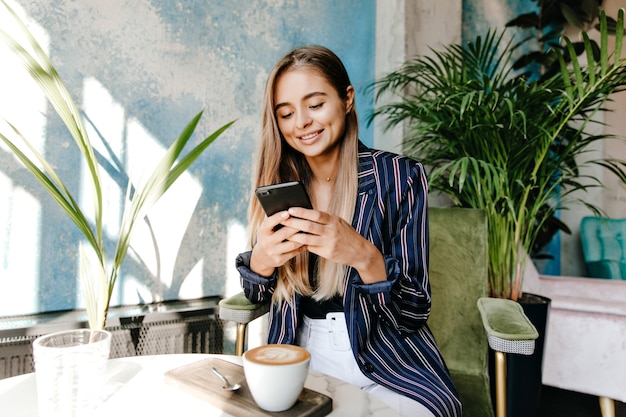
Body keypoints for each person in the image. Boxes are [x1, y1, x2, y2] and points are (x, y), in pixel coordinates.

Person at [236, 45, 462, 417]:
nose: (301, 122)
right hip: (302, 355)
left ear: (347, 99)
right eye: (286, 113)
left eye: (315, 104)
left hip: (390, 359)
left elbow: (413, 311)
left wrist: (362, 255)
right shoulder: (278, 184)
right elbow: (257, 294)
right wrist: (260, 261)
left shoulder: (400, 177)